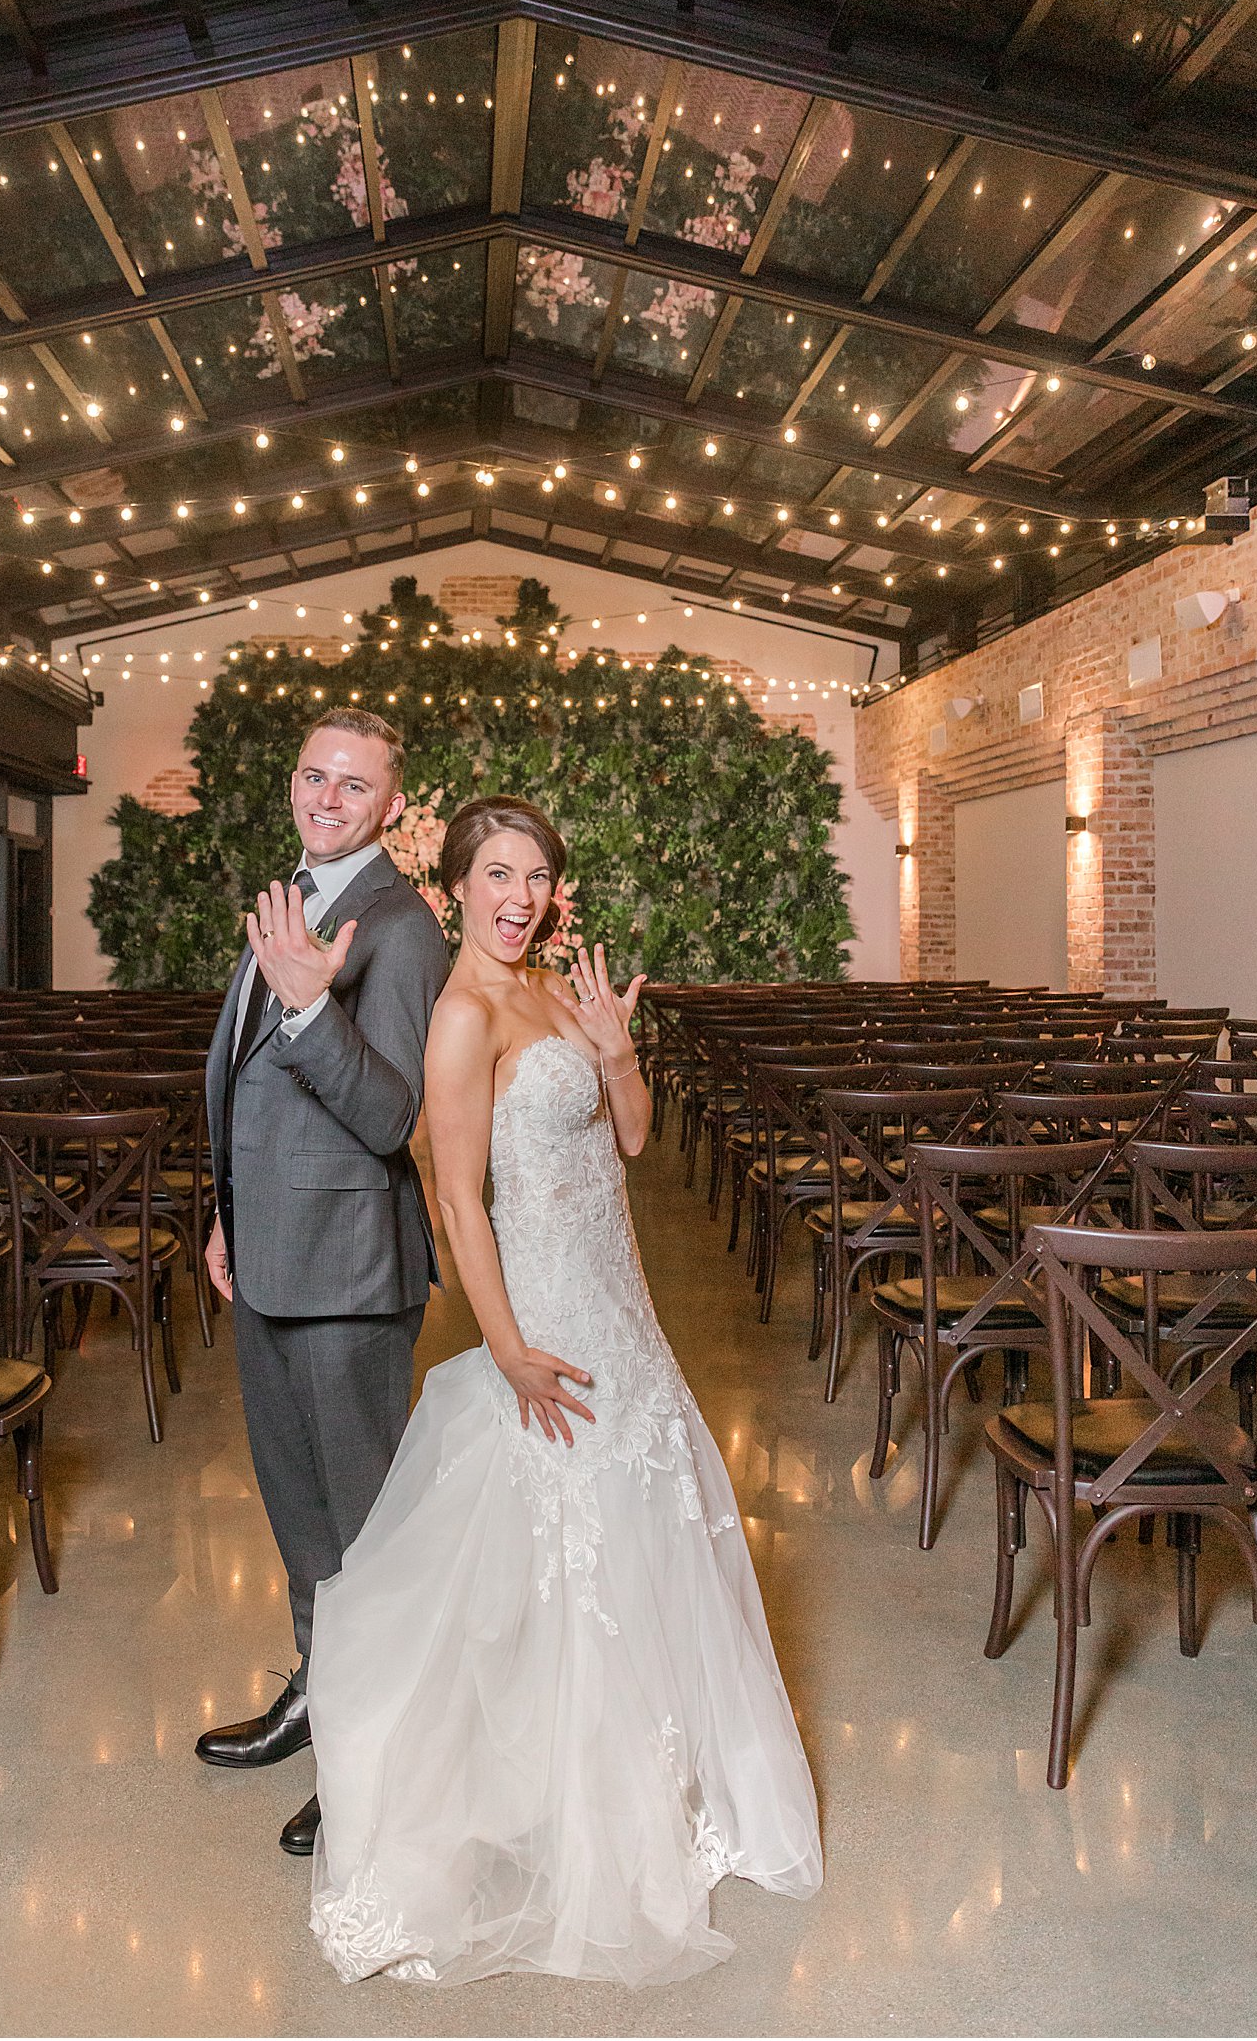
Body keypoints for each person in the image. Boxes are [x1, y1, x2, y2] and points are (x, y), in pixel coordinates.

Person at [307, 796, 821, 1986]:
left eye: (536, 875)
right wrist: (503, 1347)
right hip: (540, 1319)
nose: (520, 895)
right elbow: (456, 1202)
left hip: (623, 1310)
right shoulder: (461, 1014)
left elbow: (631, 1143)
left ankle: (641, 1780)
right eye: (497, 873)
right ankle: (560, 1801)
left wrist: (617, 1049)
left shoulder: (548, 990)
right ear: (455, 888)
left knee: (642, 1534)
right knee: (560, 1546)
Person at [195, 708, 449, 1861]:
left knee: (359, 1539)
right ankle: (316, 1699)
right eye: (313, 776)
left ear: (391, 806)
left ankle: (375, 1763)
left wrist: (306, 1002)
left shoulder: (401, 927)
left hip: (349, 1276)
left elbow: (392, 1114)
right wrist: (229, 1213)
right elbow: (254, 1088)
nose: (328, 797)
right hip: (270, 1259)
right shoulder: (290, 898)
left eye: (355, 785)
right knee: (300, 1522)